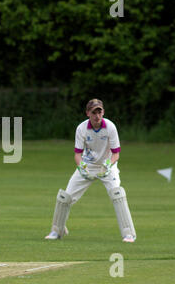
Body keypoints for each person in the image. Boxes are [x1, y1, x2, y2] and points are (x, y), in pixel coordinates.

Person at [44, 99, 136, 243]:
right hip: (87, 166)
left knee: (117, 194)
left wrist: (108, 165)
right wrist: (82, 167)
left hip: (107, 166)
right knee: (65, 197)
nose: (97, 115)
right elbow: (77, 154)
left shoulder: (110, 127)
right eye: (94, 112)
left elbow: (116, 153)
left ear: (103, 112)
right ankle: (57, 231)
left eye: (100, 112)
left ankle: (129, 234)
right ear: (88, 113)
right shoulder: (81, 128)